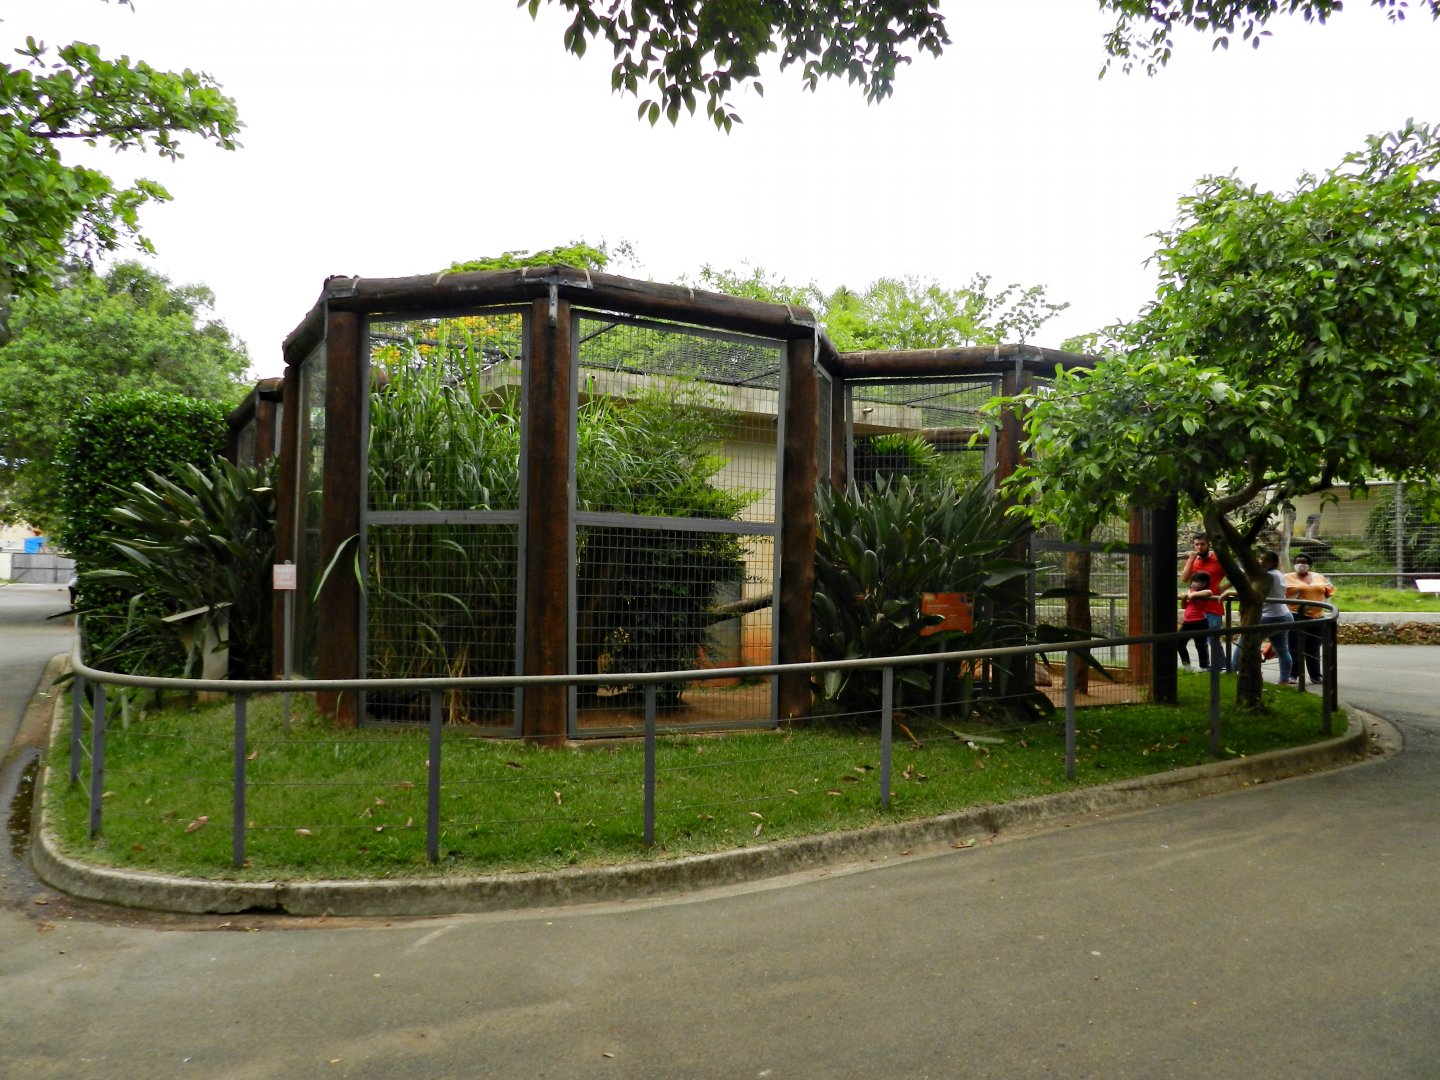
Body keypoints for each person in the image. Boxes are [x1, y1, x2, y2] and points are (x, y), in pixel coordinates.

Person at [1232, 550, 1295, 683]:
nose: (1262, 562)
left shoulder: (1268, 576)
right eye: (1261, 559)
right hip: (1284, 615)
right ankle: (1284, 679)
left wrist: (1231, 593)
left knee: (1244, 641)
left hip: (1272, 616)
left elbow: (1250, 592)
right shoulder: (1277, 574)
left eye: (1266, 560)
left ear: (1274, 562)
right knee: (1282, 649)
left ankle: (1232, 670)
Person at [1180, 533, 1230, 671]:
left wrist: (1222, 588)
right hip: (1195, 608)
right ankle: (1207, 667)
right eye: (1196, 544)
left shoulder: (1218, 558)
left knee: (1212, 639)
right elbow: (1184, 578)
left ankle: (1220, 667)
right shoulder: (1193, 560)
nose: (1199, 547)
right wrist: (1191, 559)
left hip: (1213, 606)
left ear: (1208, 545)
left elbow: (1234, 575)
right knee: (1199, 641)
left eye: (1202, 544)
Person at [1286, 554, 1335, 684]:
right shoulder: (1287, 578)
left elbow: (1329, 591)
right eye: (1298, 562)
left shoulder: (1319, 577)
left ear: (1310, 564)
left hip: (1316, 617)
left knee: (1313, 647)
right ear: (1294, 563)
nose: (1301, 564)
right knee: (1294, 646)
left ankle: (1316, 675)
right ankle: (1293, 675)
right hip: (1295, 615)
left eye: (1304, 562)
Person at [1179, 571, 1218, 671]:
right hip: (1187, 622)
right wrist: (1184, 599)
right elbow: (1184, 606)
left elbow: (1209, 593)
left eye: (1196, 581)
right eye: (1193, 581)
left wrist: (1191, 595)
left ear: (1204, 583)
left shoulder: (1206, 592)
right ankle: (1187, 666)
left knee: (1200, 646)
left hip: (1200, 622)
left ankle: (1204, 667)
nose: (1193, 583)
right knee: (1179, 644)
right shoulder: (1191, 591)